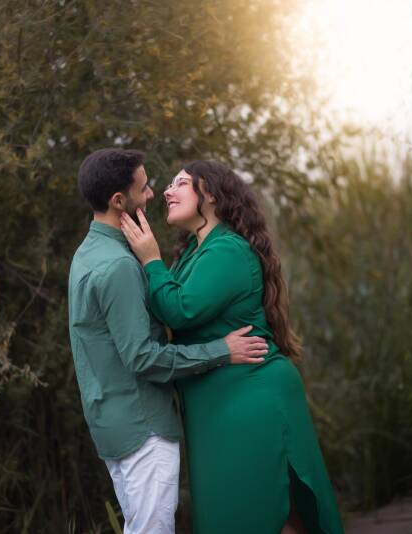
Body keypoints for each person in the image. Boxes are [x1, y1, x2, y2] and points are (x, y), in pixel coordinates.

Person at [120, 160, 344, 534]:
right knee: (244, 513)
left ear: (209, 193)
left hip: (249, 396)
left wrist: (150, 259)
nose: (167, 191)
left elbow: (180, 310)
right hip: (221, 402)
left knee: (260, 511)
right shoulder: (195, 251)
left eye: (180, 183)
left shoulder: (227, 250)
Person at [68, 148, 269, 533]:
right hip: (142, 427)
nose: (152, 195)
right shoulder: (119, 266)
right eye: (143, 188)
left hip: (111, 422)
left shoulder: (87, 255)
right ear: (118, 201)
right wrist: (221, 351)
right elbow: (142, 358)